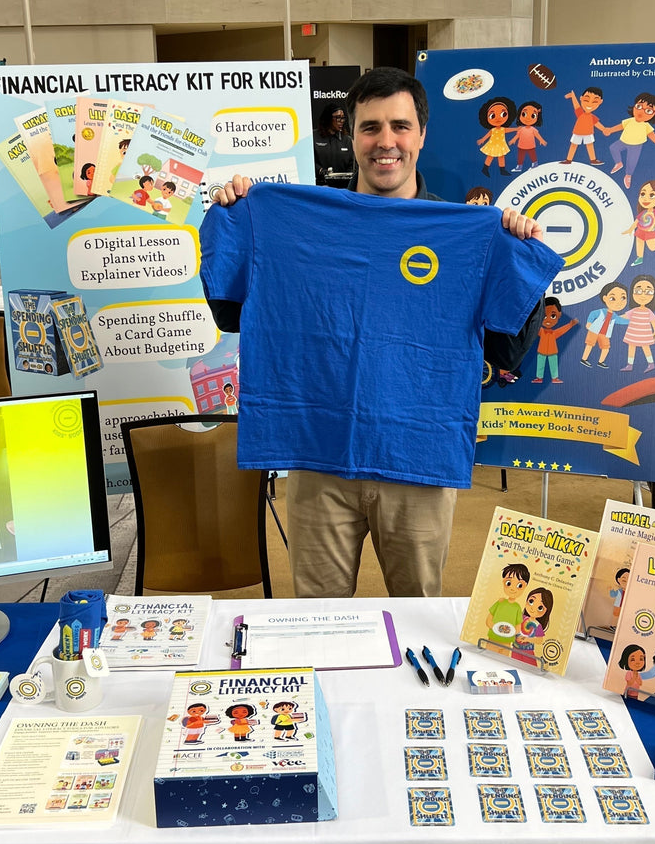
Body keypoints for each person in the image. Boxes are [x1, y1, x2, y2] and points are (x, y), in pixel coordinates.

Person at [202, 66, 555, 600]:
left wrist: (514, 253)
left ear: (422, 135)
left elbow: (505, 350)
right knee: (317, 623)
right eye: (370, 127)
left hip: (418, 458)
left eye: (399, 126)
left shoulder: (467, 232)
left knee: (420, 622)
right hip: (318, 456)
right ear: (351, 136)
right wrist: (237, 217)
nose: (385, 142)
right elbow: (232, 315)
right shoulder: (295, 219)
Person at [313, 104, 355, 188]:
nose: (341, 121)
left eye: (343, 118)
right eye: (338, 117)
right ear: (328, 118)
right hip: (320, 186)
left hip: (343, 189)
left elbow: (352, 165)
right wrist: (320, 171)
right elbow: (308, 160)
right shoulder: (314, 137)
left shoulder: (347, 140)